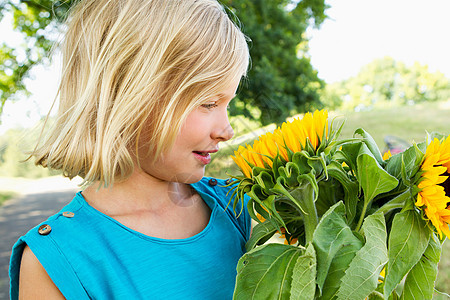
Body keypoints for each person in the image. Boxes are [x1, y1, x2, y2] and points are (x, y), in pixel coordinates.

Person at [9, 0, 251, 298]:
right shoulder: (58, 261)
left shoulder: (239, 208)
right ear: (129, 94)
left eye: (228, 103)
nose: (226, 130)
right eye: (208, 103)